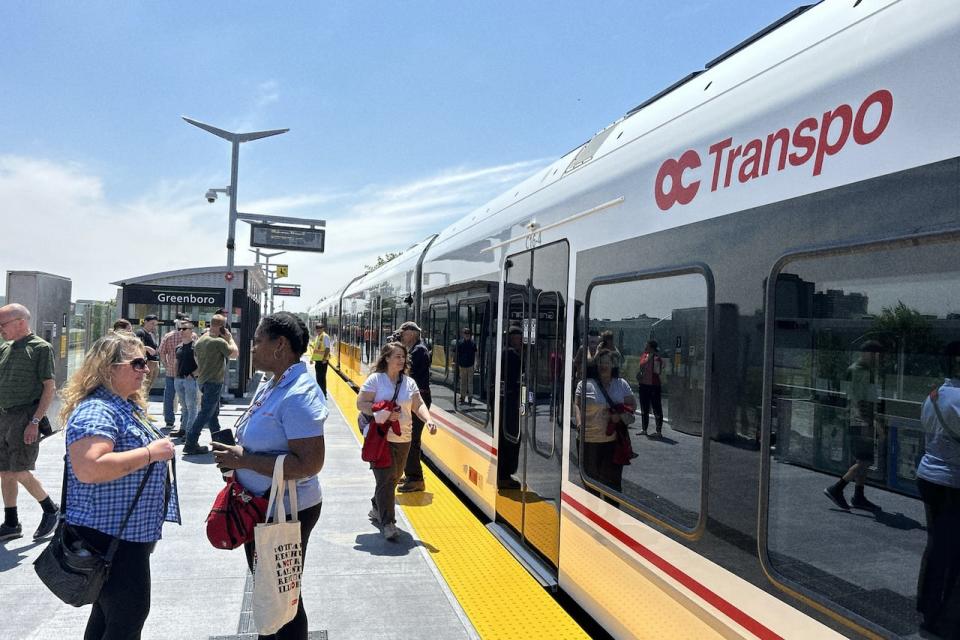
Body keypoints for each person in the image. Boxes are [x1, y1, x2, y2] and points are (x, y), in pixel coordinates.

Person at [212, 312, 326, 640]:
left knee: (283, 596)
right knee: (272, 589)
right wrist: (239, 461)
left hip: (286, 510)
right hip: (263, 506)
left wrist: (245, 459)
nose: (253, 346)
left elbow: (309, 463)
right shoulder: (274, 382)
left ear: (280, 346)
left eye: (259, 340)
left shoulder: (298, 394)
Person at [59, 331, 179, 639]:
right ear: (108, 368)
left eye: (147, 361)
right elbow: (89, 468)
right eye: (137, 363)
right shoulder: (98, 410)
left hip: (124, 537)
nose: (146, 369)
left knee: (108, 617)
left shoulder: (123, 404)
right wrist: (152, 452)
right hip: (111, 538)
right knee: (126, 618)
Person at [357, 342, 437, 539]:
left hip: (404, 437)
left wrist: (428, 420)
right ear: (387, 358)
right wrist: (381, 412)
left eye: (403, 357)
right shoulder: (376, 380)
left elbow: (418, 405)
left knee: (394, 477)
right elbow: (361, 403)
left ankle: (377, 506)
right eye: (397, 356)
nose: (401, 360)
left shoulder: (409, 383)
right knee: (385, 479)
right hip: (382, 437)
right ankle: (388, 524)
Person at [0, 303, 60, 541]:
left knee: (20, 470)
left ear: (20, 323)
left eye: (3, 324)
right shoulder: (5, 348)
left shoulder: (40, 348)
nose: (0, 329)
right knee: (4, 471)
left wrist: (35, 421)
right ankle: (12, 523)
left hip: (25, 416)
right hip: (3, 416)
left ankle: (51, 509)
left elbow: (49, 387)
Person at [915, 341, 960, 636]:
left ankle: (926, 606)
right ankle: (941, 615)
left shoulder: (932, 396)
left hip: (927, 476)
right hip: (952, 484)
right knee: (951, 552)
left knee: (935, 545)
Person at [824, 341, 884, 511]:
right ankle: (837, 488)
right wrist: (871, 423)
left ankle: (859, 496)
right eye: (875, 355)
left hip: (859, 420)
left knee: (863, 459)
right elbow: (858, 401)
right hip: (861, 421)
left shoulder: (860, 369)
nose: (877, 359)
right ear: (867, 354)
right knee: (865, 460)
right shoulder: (860, 371)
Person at [574, 349, 637, 496]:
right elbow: (577, 404)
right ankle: (592, 516)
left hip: (612, 444)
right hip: (588, 442)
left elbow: (632, 406)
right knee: (591, 486)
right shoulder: (584, 385)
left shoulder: (621, 384)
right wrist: (578, 423)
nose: (604, 366)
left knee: (612, 486)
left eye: (607, 362)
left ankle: (611, 515)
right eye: (600, 362)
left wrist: (619, 415)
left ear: (613, 365)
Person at [184, 314, 238, 456]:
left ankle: (218, 442)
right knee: (205, 413)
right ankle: (190, 442)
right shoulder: (218, 342)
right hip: (214, 381)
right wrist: (229, 338)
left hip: (202, 380)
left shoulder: (201, 340)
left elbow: (196, 358)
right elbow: (234, 353)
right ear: (222, 327)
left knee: (213, 414)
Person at [397, 321, 432, 493]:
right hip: (414, 398)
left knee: (411, 440)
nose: (401, 337)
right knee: (409, 438)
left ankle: (416, 478)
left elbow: (406, 370)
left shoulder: (419, 351)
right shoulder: (415, 349)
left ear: (412, 333)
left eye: (403, 333)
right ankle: (409, 473)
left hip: (419, 399)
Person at [498, 325, 523, 490]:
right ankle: (504, 476)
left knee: (503, 436)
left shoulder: (501, 351)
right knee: (510, 437)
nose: (520, 341)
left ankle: (502, 474)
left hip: (502, 401)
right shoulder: (512, 354)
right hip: (510, 402)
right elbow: (515, 380)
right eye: (517, 338)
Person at [169, 319, 199, 440]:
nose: (181, 331)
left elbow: (201, 364)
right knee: (184, 406)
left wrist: (193, 375)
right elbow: (176, 362)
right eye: (180, 329)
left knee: (192, 407)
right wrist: (176, 375)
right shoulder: (179, 347)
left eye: (184, 329)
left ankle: (190, 432)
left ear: (191, 331)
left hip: (190, 380)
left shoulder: (195, 346)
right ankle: (183, 429)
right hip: (179, 379)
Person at [157, 313, 187, 429]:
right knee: (185, 398)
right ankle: (184, 420)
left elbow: (161, 352)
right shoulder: (192, 336)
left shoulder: (168, 336)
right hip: (186, 372)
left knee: (169, 397)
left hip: (171, 371)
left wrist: (166, 364)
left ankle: (169, 420)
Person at [636, 340, 665, 436]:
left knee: (656, 407)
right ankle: (644, 429)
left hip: (654, 385)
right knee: (644, 407)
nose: (645, 347)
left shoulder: (657, 357)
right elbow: (641, 365)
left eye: (647, 346)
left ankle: (658, 431)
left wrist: (655, 358)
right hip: (643, 384)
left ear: (652, 348)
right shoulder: (644, 355)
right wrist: (648, 359)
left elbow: (658, 371)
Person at [134, 314, 161, 392]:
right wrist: (146, 348)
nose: (154, 326)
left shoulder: (152, 334)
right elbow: (135, 345)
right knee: (143, 386)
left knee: (148, 387)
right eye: (152, 323)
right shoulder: (140, 332)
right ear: (145, 322)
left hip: (155, 362)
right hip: (147, 363)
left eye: (155, 324)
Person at [308, 323, 332, 397]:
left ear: (323, 329)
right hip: (318, 361)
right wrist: (312, 359)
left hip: (323, 361)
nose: (318, 330)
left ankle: (323, 393)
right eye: (317, 328)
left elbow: (327, 348)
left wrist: (324, 358)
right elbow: (316, 349)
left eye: (320, 328)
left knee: (322, 378)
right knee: (318, 378)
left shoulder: (325, 336)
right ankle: (320, 393)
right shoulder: (318, 337)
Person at [456, 328, 478, 404]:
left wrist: (476, 363)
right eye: (465, 334)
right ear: (463, 334)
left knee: (470, 382)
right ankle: (462, 397)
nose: (467, 335)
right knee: (463, 382)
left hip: (470, 365)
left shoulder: (473, 343)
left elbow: (475, 354)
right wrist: (455, 362)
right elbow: (457, 353)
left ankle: (470, 398)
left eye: (468, 334)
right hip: (462, 365)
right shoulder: (460, 343)